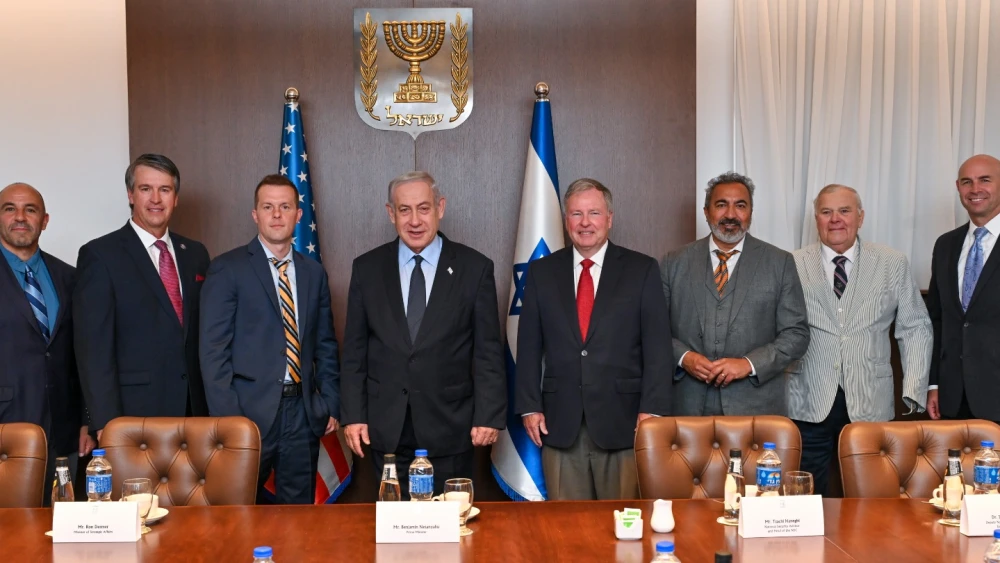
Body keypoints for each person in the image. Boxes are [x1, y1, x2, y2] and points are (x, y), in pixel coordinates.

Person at [340, 171, 505, 498]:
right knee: (394, 528)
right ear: (391, 213)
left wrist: (489, 415)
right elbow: (355, 352)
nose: (414, 220)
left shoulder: (475, 268)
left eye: (424, 208)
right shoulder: (367, 268)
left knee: (450, 528)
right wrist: (354, 415)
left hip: (451, 427)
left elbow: (487, 351)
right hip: (386, 429)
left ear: (440, 208)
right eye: (404, 210)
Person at [515, 178, 672, 501]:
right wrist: (529, 406)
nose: (585, 223)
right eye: (576, 214)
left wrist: (651, 411)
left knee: (623, 529)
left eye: (594, 213)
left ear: (609, 219)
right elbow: (528, 347)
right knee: (566, 533)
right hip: (559, 425)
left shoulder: (641, 270)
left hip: (625, 422)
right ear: (565, 220)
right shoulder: (542, 273)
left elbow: (657, 347)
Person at [200, 174, 340, 504]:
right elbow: (212, 351)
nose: (276, 215)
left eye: (285, 207)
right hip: (247, 413)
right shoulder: (227, 269)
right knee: (237, 511)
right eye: (268, 207)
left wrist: (329, 402)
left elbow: (326, 344)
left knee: (297, 517)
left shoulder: (313, 272)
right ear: (255, 215)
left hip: (303, 413)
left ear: (298, 214)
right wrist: (231, 420)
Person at [790, 184, 931, 496]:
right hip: (807, 399)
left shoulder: (892, 262)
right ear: (816, 219)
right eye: (826, 212)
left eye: (844, 211)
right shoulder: (792, 263)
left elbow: (915, 327)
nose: (835, 219)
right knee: (805, 495)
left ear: (860, 217)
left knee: (871, 494)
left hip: (872, 397)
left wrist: (914, 389)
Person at [74, 154, 210, 439]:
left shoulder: (195, 254)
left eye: (165, 189)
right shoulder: (100, 255)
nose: (156, 199)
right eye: (146, 189)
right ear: (130, 195)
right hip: (132, 414)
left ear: (176, 198)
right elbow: (93, 349)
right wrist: (104, 421)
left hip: (194, 410)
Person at [662, 171, 809, 416]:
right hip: (686, 407)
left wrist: (748, 364)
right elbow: (653, 331)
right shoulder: (673, 262)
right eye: (721, 205)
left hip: (756, 409)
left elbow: (797, 334)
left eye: (740, 205)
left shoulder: (779, 262)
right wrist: (684, 357)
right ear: (706, 211)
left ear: (750, 212)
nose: (731, 214)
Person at [0, 183, 94, 503]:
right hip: (6, 431)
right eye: (9, 208)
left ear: (45, 220)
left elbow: (82, 354)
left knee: (62, 526)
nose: (20, 217)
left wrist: (86, 420)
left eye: (31, 209)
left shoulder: (69, 276)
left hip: (65, 431)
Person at [927, 154, 1000, 423]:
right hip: (953, 397)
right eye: (967, 182)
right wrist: (933, 384)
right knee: (953, 468)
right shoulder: (945, 245)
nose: (975, 189)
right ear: (958, 187)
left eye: (985, 180)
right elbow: (936, 320)